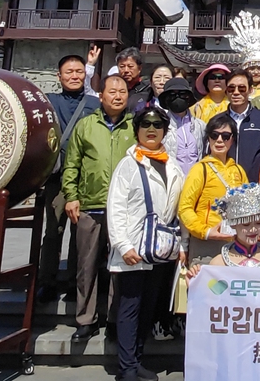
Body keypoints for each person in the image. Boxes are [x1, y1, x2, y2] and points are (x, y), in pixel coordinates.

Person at [106, 106, 185, 381]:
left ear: (165, 131)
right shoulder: (128, 165)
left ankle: (137, 360)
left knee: (148, 307)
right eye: (146, 125)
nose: (151, 130)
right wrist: (122, 244)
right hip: (134, 247)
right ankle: (126, 368)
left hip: (160, 249)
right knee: (130, 307)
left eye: (157, 125)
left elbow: (178, 209)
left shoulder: (172, 165)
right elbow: (115, 206)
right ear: (137, 130)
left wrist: (181, 246)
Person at [63, 75, 136, 342]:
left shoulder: (135, 126)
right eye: (112, 91)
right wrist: (71, 196)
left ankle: (116, 320)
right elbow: (72, 163)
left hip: (124, 209)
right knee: (87, 266)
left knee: (120, 267)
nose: (118, 96)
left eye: (122, 91)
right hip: (90, 205)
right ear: (101, 95)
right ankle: (86, 320)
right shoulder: (86, 125)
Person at [38, 54, 102, 303]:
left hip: (85, 179)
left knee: (81, 234)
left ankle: (76, 283)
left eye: (78, 72)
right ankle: (47, 281)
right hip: (57, 178)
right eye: (69, 72)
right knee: (54, 231)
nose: (74, 76)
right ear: (59, 76)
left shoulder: (94, 104)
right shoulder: (48, 102)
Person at [179, 115, 248, 265]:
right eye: (214, 135)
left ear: (232, 139)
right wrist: (205, 231)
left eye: (225, 136)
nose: (219, 140)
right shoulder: (200, 169)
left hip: (235, 244)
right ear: (208, 138)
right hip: (206, 244)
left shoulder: (239, 170)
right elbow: (184, 208)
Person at [187, 183, 260, 273]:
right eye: (246, 224)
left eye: (258, 223)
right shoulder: (218, 264)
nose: (253, 229)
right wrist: (194, 280)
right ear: (233, 224)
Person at [222, 71, 260, 184]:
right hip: (224, 185)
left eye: (242, 88)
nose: (236, 92)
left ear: (250, 90)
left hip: (255, 185)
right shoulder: (218, 121)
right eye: (231, 88)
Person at [158, 78, 203, 175]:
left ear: (189, 98)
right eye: (172, 95)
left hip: (196, 180)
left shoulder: (200, 126)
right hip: (171, 179)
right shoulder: (160, 127)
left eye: (182, 94)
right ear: (166, 99)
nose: (177, 97)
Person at [116, 47, 152, 114]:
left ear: (139, 68)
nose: (126, 70)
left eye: (130, 66)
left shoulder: (149, 90)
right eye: (122, 66)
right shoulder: (114, 88)